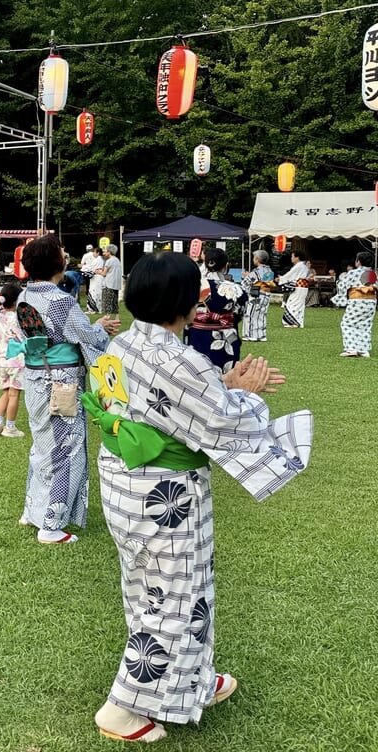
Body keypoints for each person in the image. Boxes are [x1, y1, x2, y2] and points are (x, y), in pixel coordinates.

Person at [87, 251, 312, 743]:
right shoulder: (179, 359)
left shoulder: (120, 344)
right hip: (166, 493)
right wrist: (246, 394)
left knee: (151, 588)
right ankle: (122, 708)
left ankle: (188, 683)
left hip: (125, 482)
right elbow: (223, 421)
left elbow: (168, 404)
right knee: (174, 594)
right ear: (188, 303)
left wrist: (222, 385)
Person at [16, 234, 120, 544]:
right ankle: (51, 523)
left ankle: (32, 510)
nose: (65, 254)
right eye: (61, 251)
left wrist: (92, 328)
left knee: (42, 446)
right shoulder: (61, 301)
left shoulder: (25, 297)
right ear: (55, 262)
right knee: (67, 450)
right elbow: (86, 338)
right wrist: (99, 329)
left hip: (35, 377)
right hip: (61, 382)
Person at [187, 248, 247, 373]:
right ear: (226, 266)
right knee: (225, 379)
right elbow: (239, 313)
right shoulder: (236, 289)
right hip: (226, 336)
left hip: (197, 335)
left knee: (197, 374)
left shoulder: (191, 287)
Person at [0, 283, 26, 438]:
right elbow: (22, 337)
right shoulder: (17, 318)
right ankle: (10, 427)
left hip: (1, 360)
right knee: (14, 394)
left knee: (5, 392)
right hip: (16, 360)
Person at [331, 251, 377, 357]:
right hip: (371, 302)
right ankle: (363, 350)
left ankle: (351, 348)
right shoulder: (373, 274)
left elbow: (343, 285)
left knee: (348, 324)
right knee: (365, 325)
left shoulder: (353, 273)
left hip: (357, 301)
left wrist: (339, 284)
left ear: (358, 262)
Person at [241, 250, 275, 342]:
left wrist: (245, 276)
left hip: (257, 295)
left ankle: (251, 335)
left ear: (257, 259)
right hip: (266, 294)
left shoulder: (255, 272)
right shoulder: (269, 270)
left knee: (251, 313)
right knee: (262, 314)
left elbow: (245, 283)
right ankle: (261, 335)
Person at [278, 248, 312, 328]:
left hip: (299, 287)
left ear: (297, 257)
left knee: (293, 303)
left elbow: (290, 275)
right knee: (297, 304)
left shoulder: (299, 266)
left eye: (292, 256)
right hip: (302, 287)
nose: (291, 258)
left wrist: (281, 278)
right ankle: (296, 321)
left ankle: (293, 322)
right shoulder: (302, 265)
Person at [97, 244, 123, 313]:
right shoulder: (117, 260)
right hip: (116, 285)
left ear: (109, 252)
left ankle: (107, 317)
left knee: (107, 305)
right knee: (114, 304)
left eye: (106, 251)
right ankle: (115, 316)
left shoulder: (109, 261)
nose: (104, 253)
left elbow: (104, 273)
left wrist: (98, 272)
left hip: (108, 284)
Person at [79, 245, 103, 313]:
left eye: (94, 252)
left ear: (98, 253)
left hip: (96, 277)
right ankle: (98, 309)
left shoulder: (98, 259)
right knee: (98, 293)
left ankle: (92, 309)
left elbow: (90, 267)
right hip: (99, 277)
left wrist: (82, 267)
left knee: (93, 292)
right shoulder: (102, 259)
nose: (93, 254)